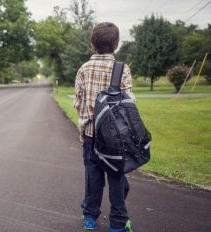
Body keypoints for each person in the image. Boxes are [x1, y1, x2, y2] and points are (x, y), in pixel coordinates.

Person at [73, 22, 135, 232]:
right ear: (116, 44)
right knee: (117, 178)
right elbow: (129, 103)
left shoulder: (84, 69)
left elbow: (79, 103)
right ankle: (118, 224)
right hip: (116, 138)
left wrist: (83, 131)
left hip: (91, 135)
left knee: (93, 178)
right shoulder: (121, 69)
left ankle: (90, 217)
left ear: (92, 44)